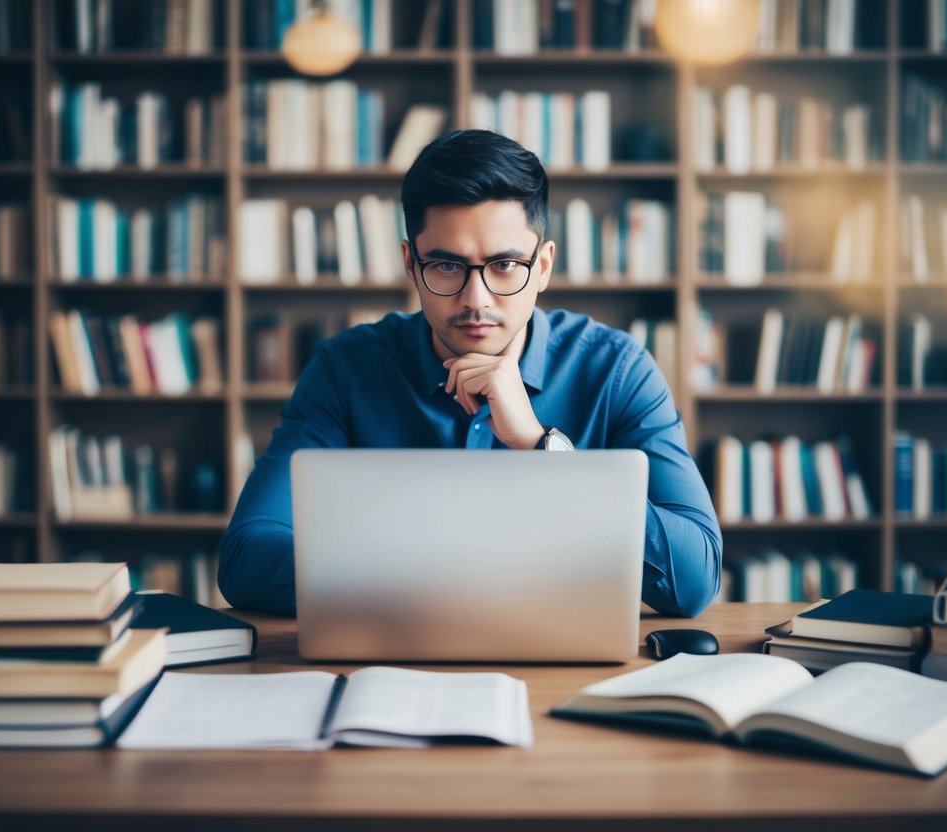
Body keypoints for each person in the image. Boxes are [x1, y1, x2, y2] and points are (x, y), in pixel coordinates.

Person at [219, 130, 722, 617]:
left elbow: (695, 579)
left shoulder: (617, 369)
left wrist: (539, 447)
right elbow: (246, 556)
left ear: (543, 267)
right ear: (410, 266)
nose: (476, 300)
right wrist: (431, 579)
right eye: (445, 266)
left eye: (504, 265)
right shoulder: (345, 370)